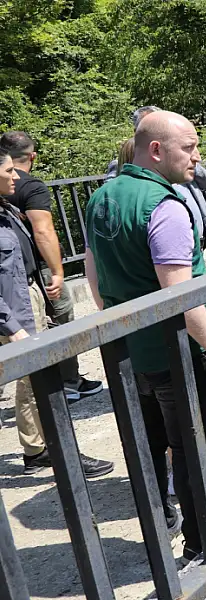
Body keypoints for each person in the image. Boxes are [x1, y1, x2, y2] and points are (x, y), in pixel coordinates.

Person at [85, 111, 206, 565]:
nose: (197, 156)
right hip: (174, 353)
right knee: (190, 446)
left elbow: (93, 276)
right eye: (189, 147)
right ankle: (203, 545)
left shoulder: (102, 197)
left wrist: (115, 319)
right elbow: (181, 296)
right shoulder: (164, 205)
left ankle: (160, 534)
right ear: (156, 150)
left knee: (146, 446)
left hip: (129, 351)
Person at [0, 146, 114, 477]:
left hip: (23, 304)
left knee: (35, 379)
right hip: (12, 316)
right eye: (8, 171)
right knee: (40, 378)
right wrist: (12, 326)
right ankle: (53, 451)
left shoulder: (6, 209)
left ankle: (39, 450)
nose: (15, 176)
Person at [0, 131, 105, 403]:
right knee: (60, 317)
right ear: (33, 156)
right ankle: (69, 381)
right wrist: (57, 272)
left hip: (7, 272)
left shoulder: (9, 186)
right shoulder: (30, 186)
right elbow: (43, 231)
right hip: (31, 271)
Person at [107, 105, 206, 252]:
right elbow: (113, 199)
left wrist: (187, 163)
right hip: (167, 243)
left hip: (195, 240)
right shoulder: (121, 171)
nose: (196, 156)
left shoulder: (181, 163)